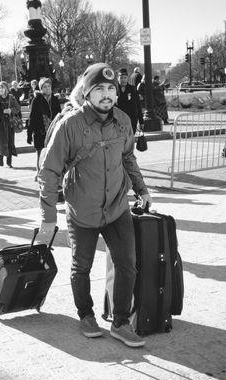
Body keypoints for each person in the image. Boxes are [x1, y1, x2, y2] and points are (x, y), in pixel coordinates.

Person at [37, 63, 152, 348]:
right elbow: (49, 171)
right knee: (82, 267)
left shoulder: (123, 120)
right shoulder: (70, 125)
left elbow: (128, 159)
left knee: (128, 266)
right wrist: (48, 216)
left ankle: (121, 322)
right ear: (87, 93)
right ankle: (86, 315)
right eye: (99, 89)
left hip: (116, 207)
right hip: (82, 211)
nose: (106, 95)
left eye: (111, 89)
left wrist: (142, 189)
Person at [27, 77, 60, 178]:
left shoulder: (55, 100)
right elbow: (32, 117)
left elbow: (59, 115)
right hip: (40, 131)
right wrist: (29, 133)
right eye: (44, 87)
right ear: (41, 89)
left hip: (53, 130)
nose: (47, 88)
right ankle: (39, 173)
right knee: (40, 153)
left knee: (53, 153)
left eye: (48, 86)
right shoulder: (37, 100)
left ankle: (52, 173)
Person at [0, 81, 20, 168]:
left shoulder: (11, 97)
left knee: (10, 142)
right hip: (0, 124)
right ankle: (0, 157)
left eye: (2, 87)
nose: (0, 89)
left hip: (9, 123)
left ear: (6, 89)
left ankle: (9, 162)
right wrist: (1, 112)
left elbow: (18, 108)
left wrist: (11, 110)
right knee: (1, 142)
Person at [115, 68, 144, 134]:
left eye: (125, 78)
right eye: (121, 78)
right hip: (118, 120)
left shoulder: (132, 89)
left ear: (127, 78)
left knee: (129, 141)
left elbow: (138, 106)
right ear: (118, 78)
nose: (123, 80)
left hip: (131, 119)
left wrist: (141, 121)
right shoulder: (114, 90)